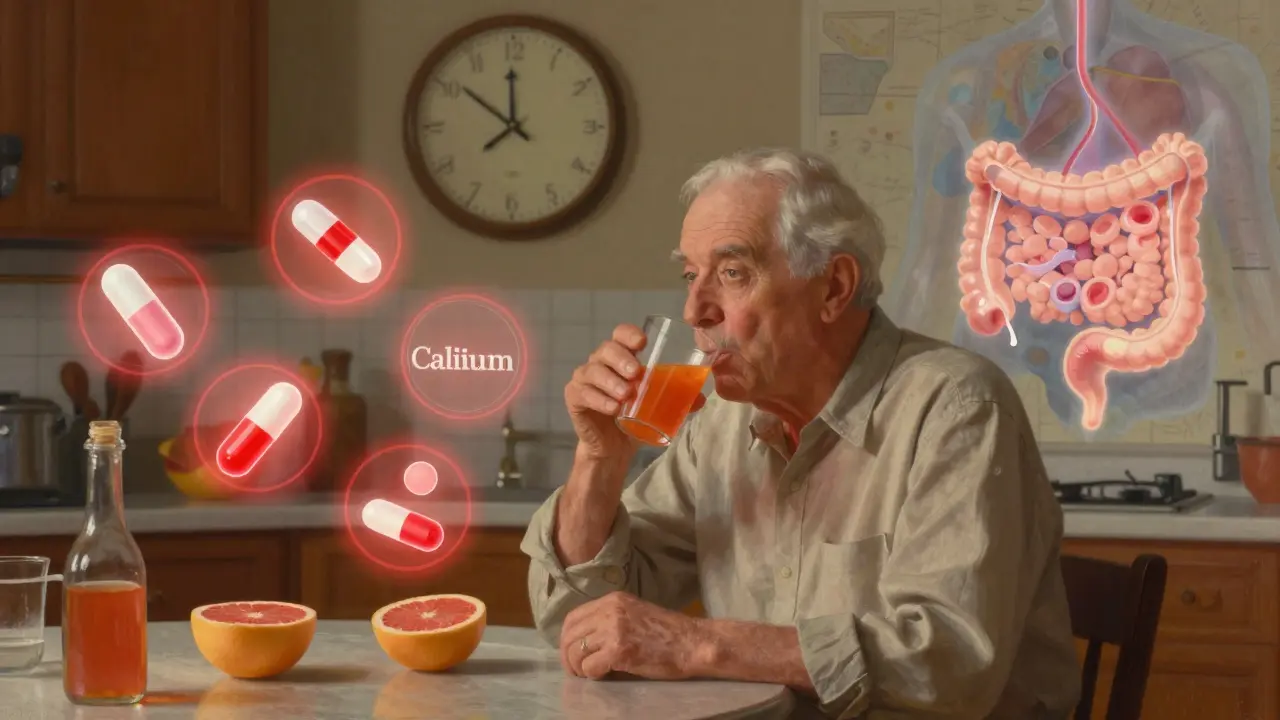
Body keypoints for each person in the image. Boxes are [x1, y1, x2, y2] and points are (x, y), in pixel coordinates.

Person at [520, 147, 1082, 718]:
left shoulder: (957, 406)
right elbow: (574, 619)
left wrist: (698, 643)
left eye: (732, 273)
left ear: (834, 287)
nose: (694, 310)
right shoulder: (720, 420)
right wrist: (599, 459)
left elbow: (947, 666)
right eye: (691, 275)